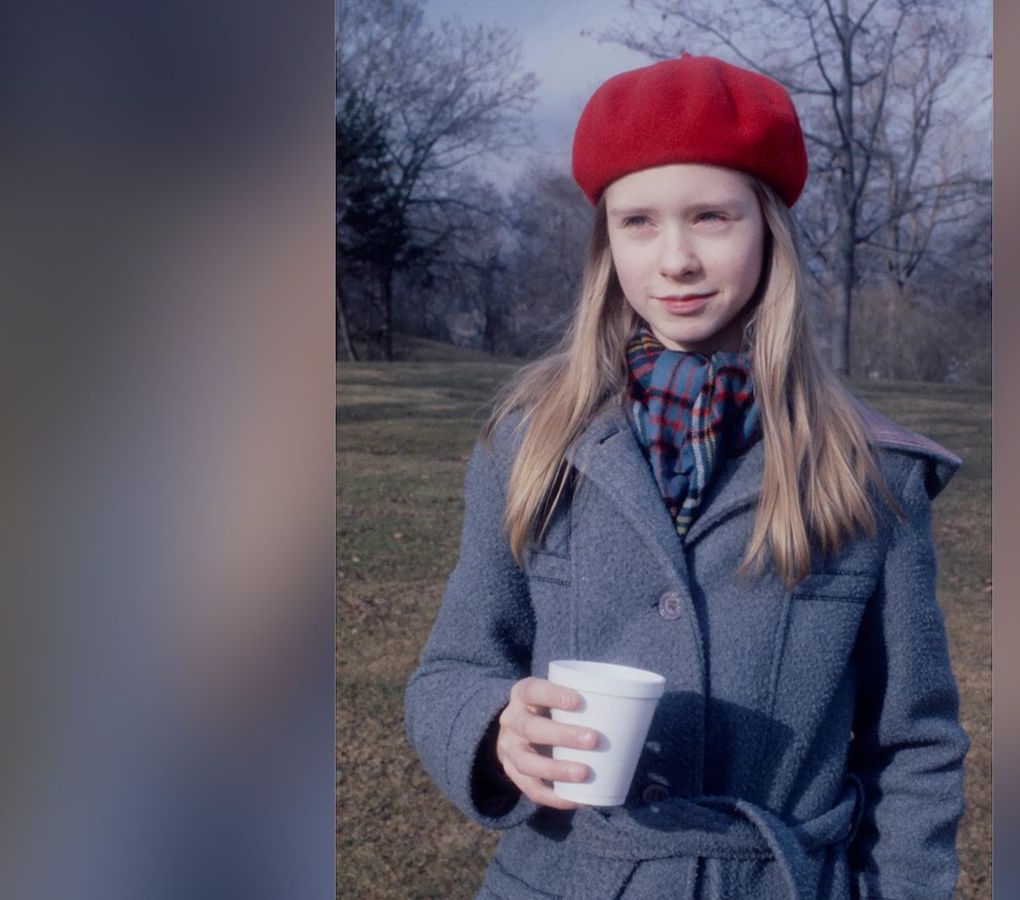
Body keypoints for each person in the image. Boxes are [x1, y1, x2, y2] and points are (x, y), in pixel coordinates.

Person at [404, 53, 968, 900]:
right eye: (638, 222)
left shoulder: (871, 473)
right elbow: (452, 669)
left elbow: (914, 745)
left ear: (768, 229)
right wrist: (494, 731)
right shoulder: (530, 445)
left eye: (711, 217)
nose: (676, 260)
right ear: (606, 242)